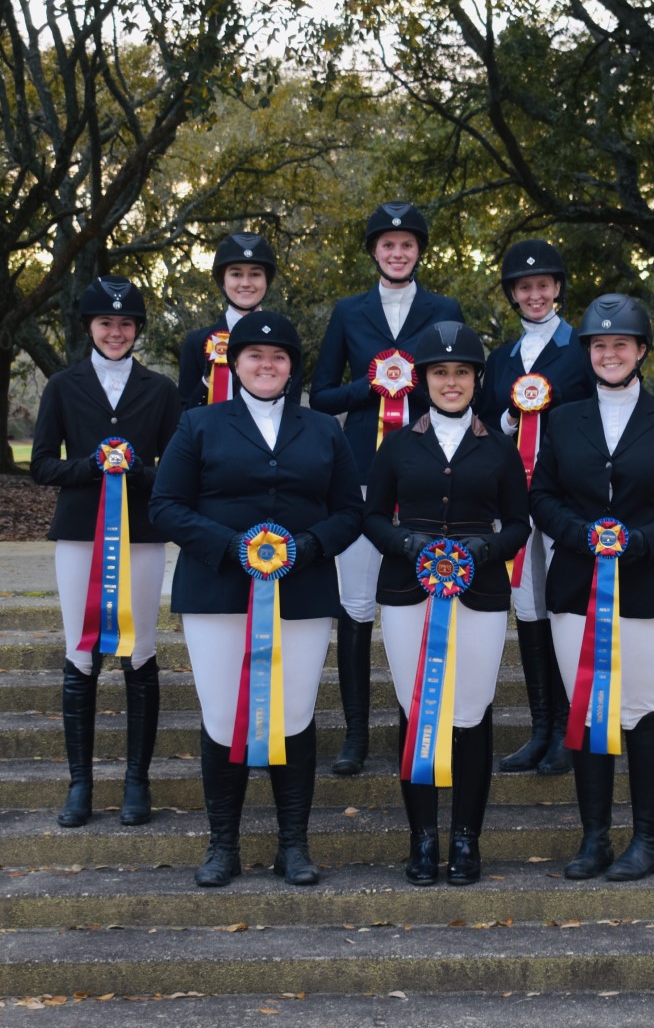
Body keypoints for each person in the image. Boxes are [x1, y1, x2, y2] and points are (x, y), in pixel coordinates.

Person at [150, 311, 363, 887]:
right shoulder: (198, 424)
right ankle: (223, 845)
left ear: (293, 367)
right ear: (235, 363)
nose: (266, 365)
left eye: (278, 357)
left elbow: (351, 510)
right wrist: (231, 546)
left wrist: (308, 545)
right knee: (224, 716)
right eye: (254, 356)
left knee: (294, 714)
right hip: (217, 592)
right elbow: (165, 505)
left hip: (302, 592)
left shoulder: (324, 429)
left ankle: (293, 845)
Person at [529, 294, 654, 881]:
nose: (610, 354)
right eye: (600, 345)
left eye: (621, 345)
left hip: (649, 585)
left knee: (642, 708)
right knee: (587, 708)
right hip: (576, 585)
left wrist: (644, 542)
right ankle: (595, 838)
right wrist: (579, 535)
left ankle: (648, 840)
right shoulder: (563, 419)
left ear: (641, 351)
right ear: (588, 352)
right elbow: (542, 497)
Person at [363, 320, 530, 885]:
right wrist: (406, 544)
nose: (451, 382)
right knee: (416, 708)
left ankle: (465, 838)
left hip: (479, 593)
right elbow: (372, 517)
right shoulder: (397, 444)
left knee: (471, 713)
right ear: (424, 380)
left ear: (476, 378)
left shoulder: (499, 448)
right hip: (408, 592)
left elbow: (519, 524)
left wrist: (486, 548)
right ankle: (422, 837)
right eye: (440, 372)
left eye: (461, 372)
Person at [310, 201, 464, 776]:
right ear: (374, 251)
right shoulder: (347, 311)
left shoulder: (444, 309)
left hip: (426, 470)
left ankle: (421, 720)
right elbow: (322, 394)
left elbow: (458, 385)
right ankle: (355, 734)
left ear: (419, 250)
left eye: (407, 244)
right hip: (359, 473)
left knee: (425, 597)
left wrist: (411, 383)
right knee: (356, 606)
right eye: (387, 244)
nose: (397, 253)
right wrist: (375, 385)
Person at [30, 275, 181, 829]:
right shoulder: (62, 386)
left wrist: (134, 470)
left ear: (137, 329)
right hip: (79, 536)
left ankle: (137, 781)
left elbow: (176, 471)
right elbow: (41, 464)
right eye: (105, 323)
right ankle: (81, 784)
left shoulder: (160, 389)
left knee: (138, 652)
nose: (115, 332)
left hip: (141, 537)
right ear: (89, 327)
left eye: (125, 324)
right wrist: (91, 466)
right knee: (81, 652)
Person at [478, 239, 595, 776]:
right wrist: (511, 417)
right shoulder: (501, 358)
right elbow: (485, 421)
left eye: (543, 285)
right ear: (513, 294)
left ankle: (571, 728)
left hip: (565, 494)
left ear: (557, 288)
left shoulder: (581, 349)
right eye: (524, 287)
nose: (534, 294)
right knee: (527, 606)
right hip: (516, 497)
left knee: (562, 604)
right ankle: (541, 726)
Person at [177, 232, 300, 409]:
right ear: (222, 280)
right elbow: (184, 412)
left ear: (267, 280)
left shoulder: (286, 337)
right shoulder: (197, 342)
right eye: (236, 274)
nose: (245, 283)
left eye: (255, 274)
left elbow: (293, 406)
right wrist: (207, 383)